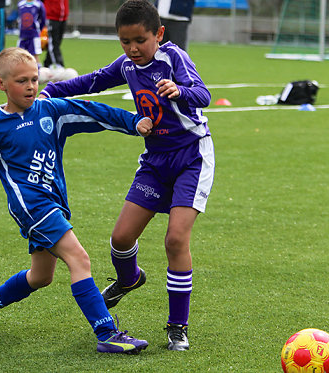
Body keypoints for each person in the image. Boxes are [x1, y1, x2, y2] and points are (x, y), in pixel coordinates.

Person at [0, 47, 152, 354]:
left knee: (40, 277)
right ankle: (107, 333)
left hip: (54, 203)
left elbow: (92, 111)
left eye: (34, 79)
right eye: (21, 81)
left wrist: (133, 122)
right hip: (31, 208)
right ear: (2, 84)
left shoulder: (50, 111)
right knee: (79, 259)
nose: (31, 86)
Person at [39, 0, 214, 351]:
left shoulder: (173, 58)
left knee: (175, 239)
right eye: (125, 41)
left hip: (191, 158)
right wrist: (48, 93)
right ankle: (129, 279)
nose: (133, 48)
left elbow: (203, 95)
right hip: (155, 161)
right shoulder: (127, 65)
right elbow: (91, 82)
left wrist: (180, 91)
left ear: (159, 35)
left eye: (140, 40)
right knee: (121, 239)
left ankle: (177, 326)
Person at [17, 0, 47, 65]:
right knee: (19, 55)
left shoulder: (38, 4)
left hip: (33, 35)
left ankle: (37, 72)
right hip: (22, 35)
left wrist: (38, 29)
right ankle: (21, 72)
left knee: (34, 55)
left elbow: (43, 19)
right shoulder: (20, 4)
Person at [43, 0, 69, 68]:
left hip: (63, 18)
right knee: (54, 43)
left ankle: (47, 64)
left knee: (57, 43)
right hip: (51, 17)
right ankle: (59, 66)